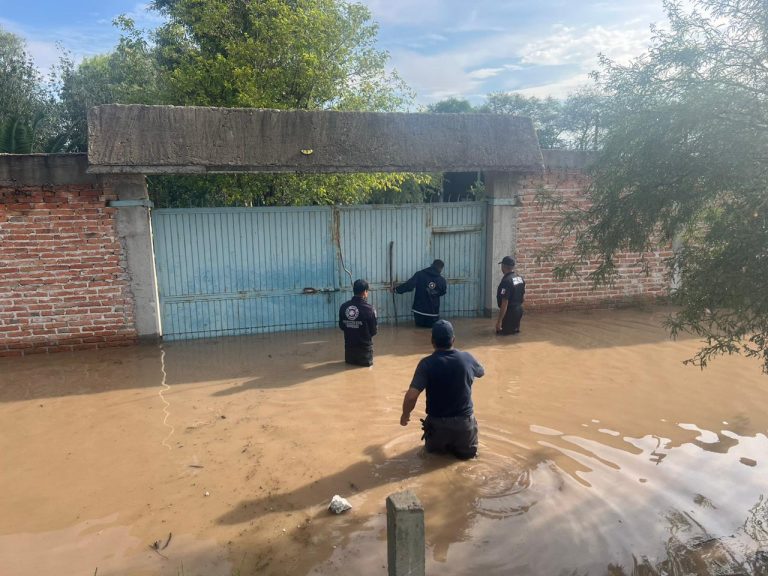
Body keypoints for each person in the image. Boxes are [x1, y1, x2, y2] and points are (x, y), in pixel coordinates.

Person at [399, 320, 485, 460]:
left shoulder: (426, 364)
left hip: (437, 427)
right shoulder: (467, 358)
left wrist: (405, 415)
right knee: (469, 461)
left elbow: (411, 397)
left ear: (432, 341)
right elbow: (481, 372)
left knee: (433, 460)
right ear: (453, 339)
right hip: (464, 426)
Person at [392, 259, 448, 328]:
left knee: (417, 332)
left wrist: (396, 290)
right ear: (441, 269)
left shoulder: (420, 274)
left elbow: (409, 286)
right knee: (429, 334)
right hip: (433, 314)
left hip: (419, 312)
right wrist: (433, 293)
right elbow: (443, 292)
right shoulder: (442, 280)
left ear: (432, 265)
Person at [339, 279, 378, 367]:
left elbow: (341, 326)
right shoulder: (370, 309)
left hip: (349, 354)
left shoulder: (343, 307)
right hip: (365, 354)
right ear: (365, 292)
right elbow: (374, 331)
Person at [495, 256, 526, 335]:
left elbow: (504, 302)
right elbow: (523, 297)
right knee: (514, 333)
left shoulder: (506, 281)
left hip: (510, 312)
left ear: (504, 266)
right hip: (519, 310)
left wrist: (499, 321)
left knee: (502, 335)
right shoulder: (520, 278)